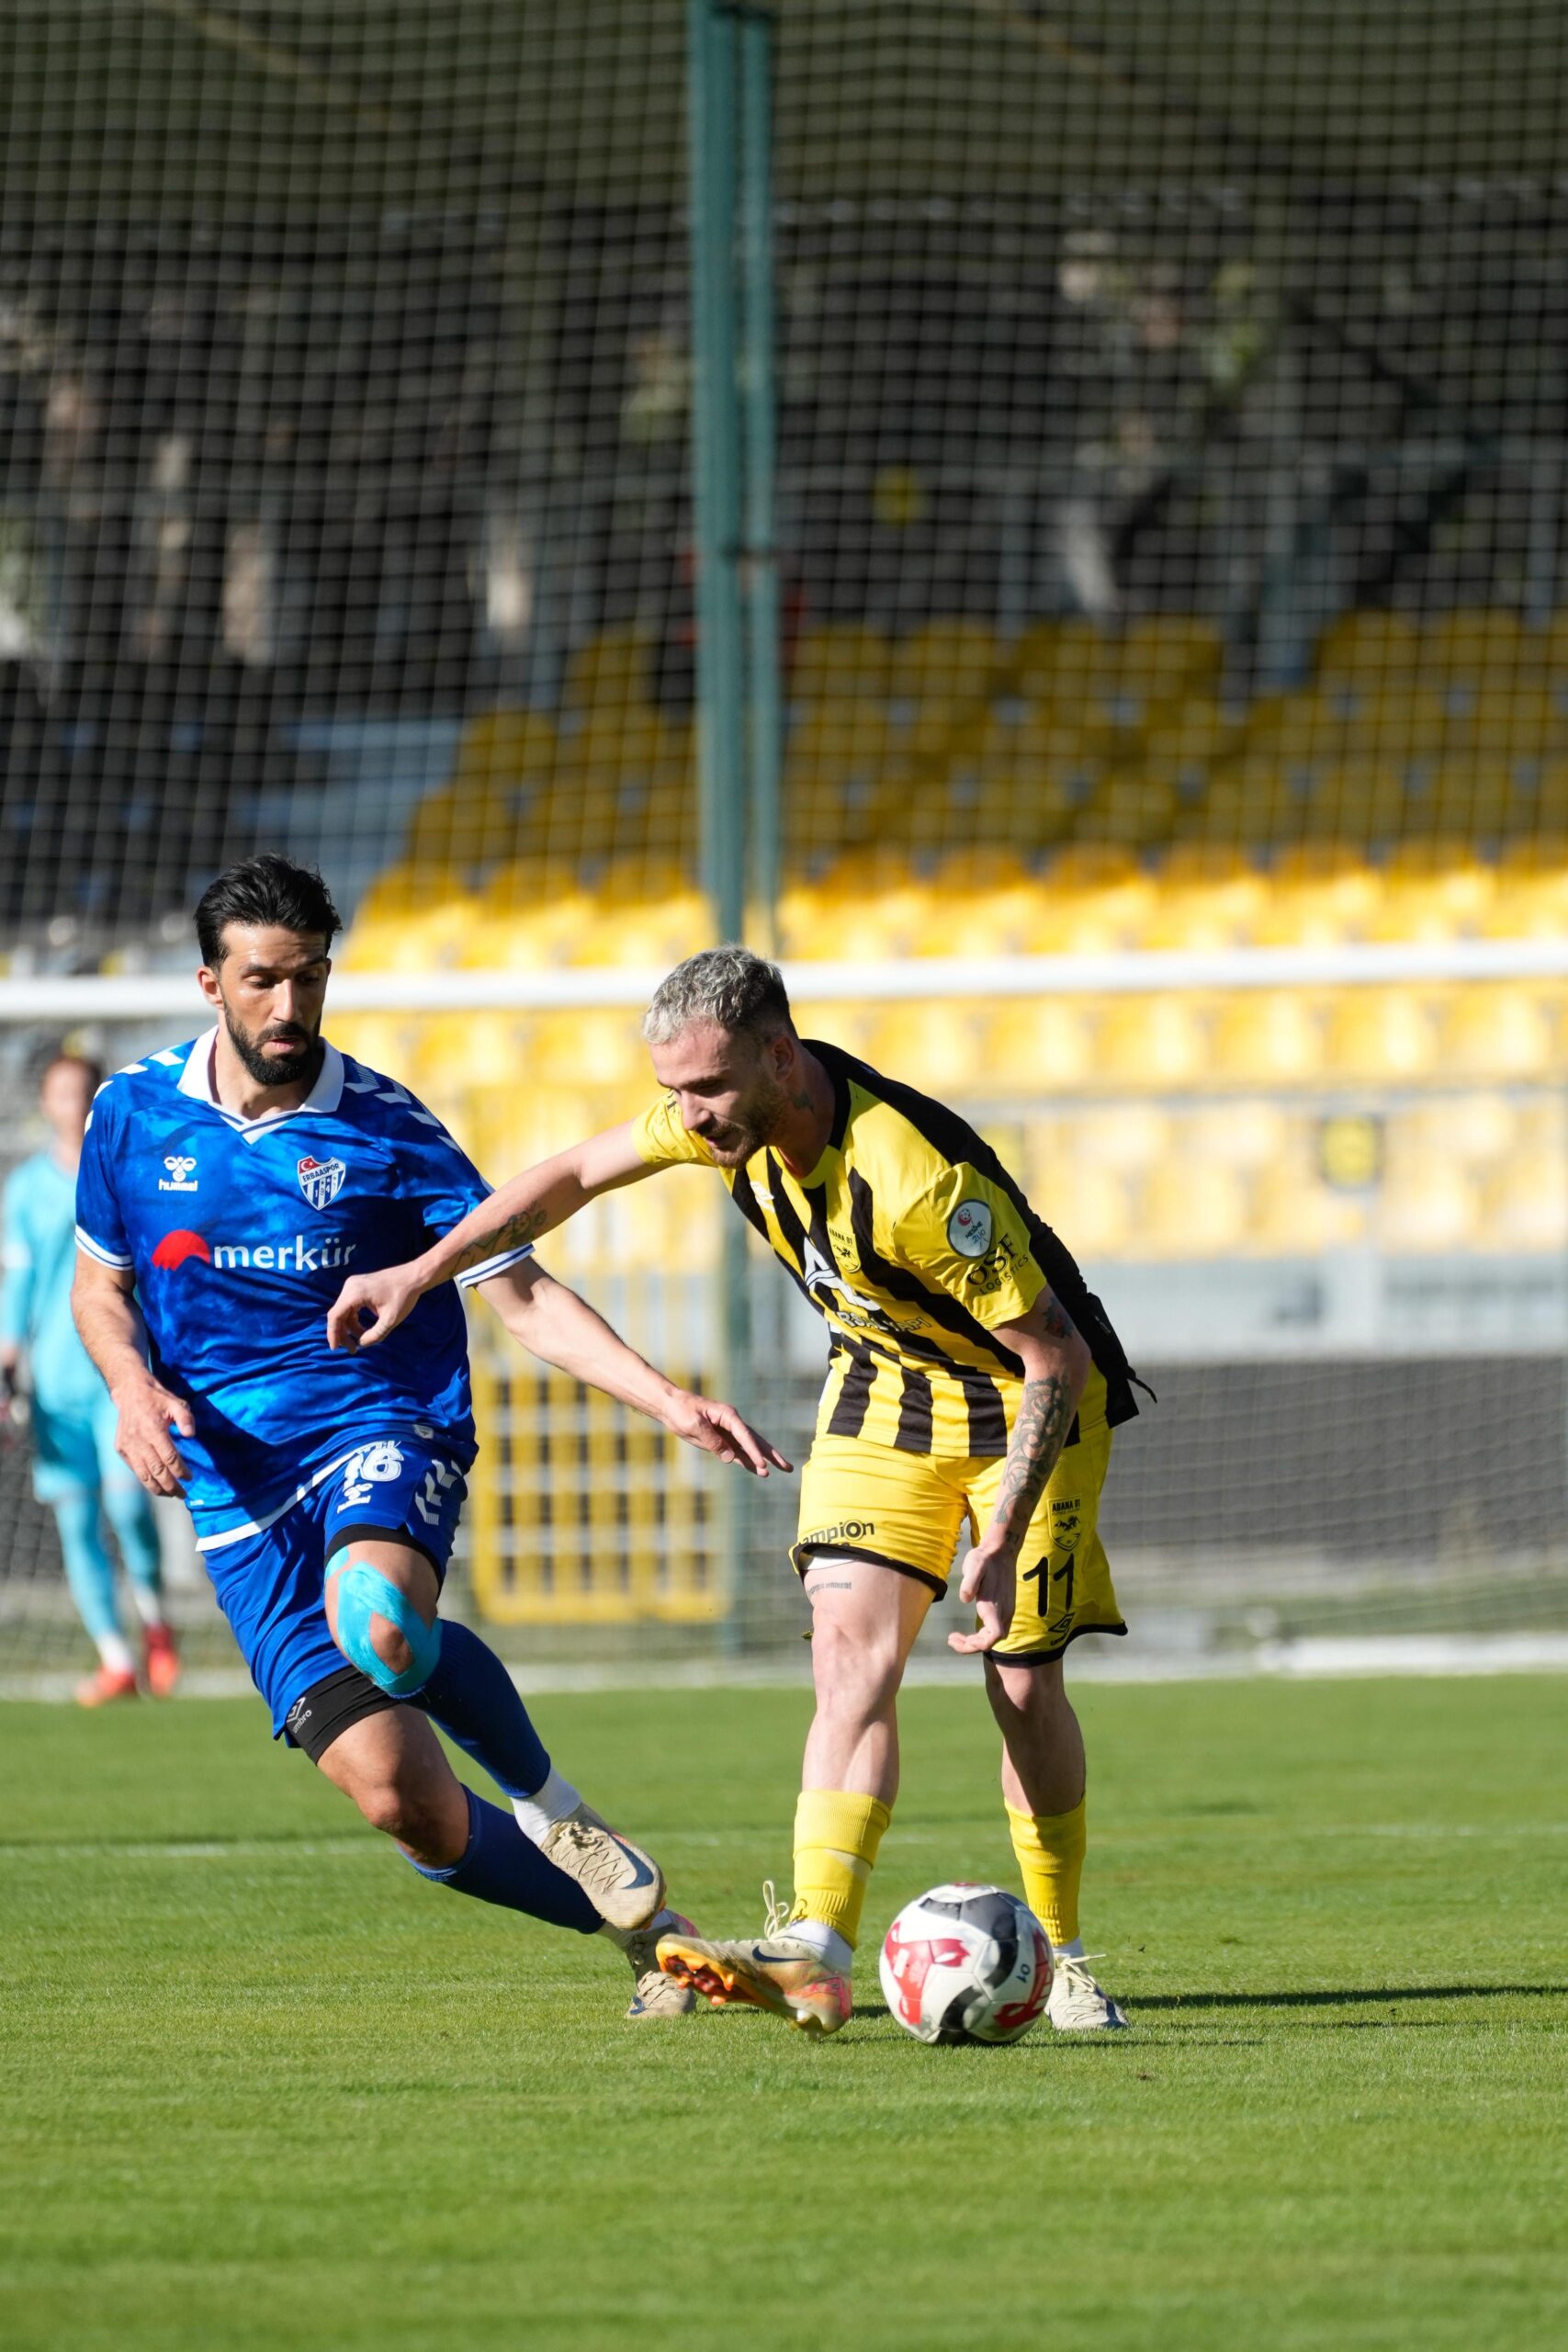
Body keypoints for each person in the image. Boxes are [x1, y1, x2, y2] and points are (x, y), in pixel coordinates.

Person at [325, 945, 1145, 2038]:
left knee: (1024, 1686)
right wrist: (419, 1272)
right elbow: (565, 1180)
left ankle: (1067, 1953)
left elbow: (1057, 1359)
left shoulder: (910, 1175)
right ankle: (818, 1944)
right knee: (848, 1649)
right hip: (885, 1395)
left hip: (1023, 1407)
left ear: (779, 1057)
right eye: (674, 1092)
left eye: (707, 1089)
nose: (690, 1115)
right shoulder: (723, 1119)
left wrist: (996, 1532)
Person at [72, 860, 790, 2021]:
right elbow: (98, 1288)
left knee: (386, 1626)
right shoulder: (131, 1113)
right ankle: (658, 1937)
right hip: (232, 1488)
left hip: (377, 1422)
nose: (290, 1007)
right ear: (212, 982)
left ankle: (557, 1806)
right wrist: (127, 1387)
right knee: (407, 1803)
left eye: (311, 978)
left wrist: (665, 1397)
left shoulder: (390, 1129)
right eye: (264, 980)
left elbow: (524, 1294)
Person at [2, 1052, 176, 1705]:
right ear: (45, 1103)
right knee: (76, 1521)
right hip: (53, 1382)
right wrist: (7, 1364)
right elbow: (17, 1284)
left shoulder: (126, 1175)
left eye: (83, 1092)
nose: (72, 1105)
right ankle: (114, 1657)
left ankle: (157, 1622)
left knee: (130, 1503)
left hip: (121, 1367)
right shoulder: (25, 1190)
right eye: (61, 1093)